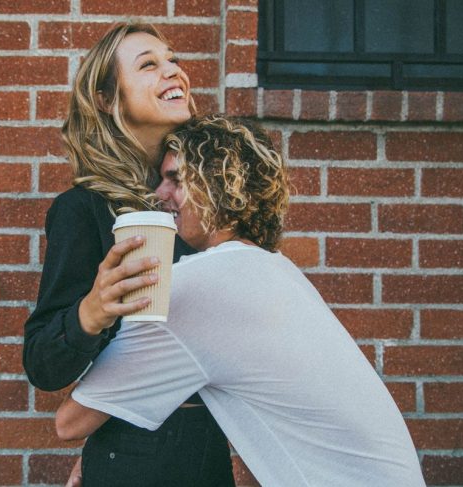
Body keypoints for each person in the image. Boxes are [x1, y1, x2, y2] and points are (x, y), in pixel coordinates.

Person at [56, 115, 427, 486]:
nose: (159, 194)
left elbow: (70, 422)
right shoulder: (273, 270)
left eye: (176, 179)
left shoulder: (195, 287)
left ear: (219, 185)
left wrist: (98, 311)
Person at [23, 24, 235, 486]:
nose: (173, 70)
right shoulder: (84, 210)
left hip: (210, 447)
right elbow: (42, 363)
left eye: (173, 59)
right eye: (149, 64)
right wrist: (91, 314)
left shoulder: (210, 198)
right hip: (136, 455)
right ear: (106, 98)